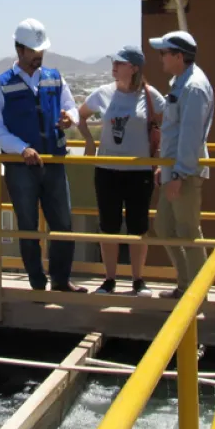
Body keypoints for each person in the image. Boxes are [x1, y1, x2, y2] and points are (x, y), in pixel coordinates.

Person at [0, 19, 85, 293]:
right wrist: (21, 148)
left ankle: (61, 280)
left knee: (63, 225)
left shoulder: (55, 77)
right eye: (33, 51)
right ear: (19, 49)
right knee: (28, 227)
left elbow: (71, 106)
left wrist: (70, 118)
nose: (38, 56)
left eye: (41, 50)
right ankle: (37, 283)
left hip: (54, 162)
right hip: (21, 167)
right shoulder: (1, 85)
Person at [77, 46, 164, 296]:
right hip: (107, 170)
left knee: (138, 227)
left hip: (139, 172)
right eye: (113, 62)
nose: (114, 66)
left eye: (120, 63)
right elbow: (81, 116)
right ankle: (110, 280)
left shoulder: (149, 95)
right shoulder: (103, 93)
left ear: (134, 68)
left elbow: (170, 121)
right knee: (109, 226)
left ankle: (138, 280)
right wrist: (89, 142)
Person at [149, 30, 214, 299]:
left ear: (178, 56)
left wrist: (178, 173)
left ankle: (197, 292)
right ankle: (186, 285)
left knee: (188, 231)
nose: (160, 58)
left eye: (164, 53)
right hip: (172, 169)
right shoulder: (180, 81)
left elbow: (190, 135)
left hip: (183, 172)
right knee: (165, 227)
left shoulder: (193, 87)